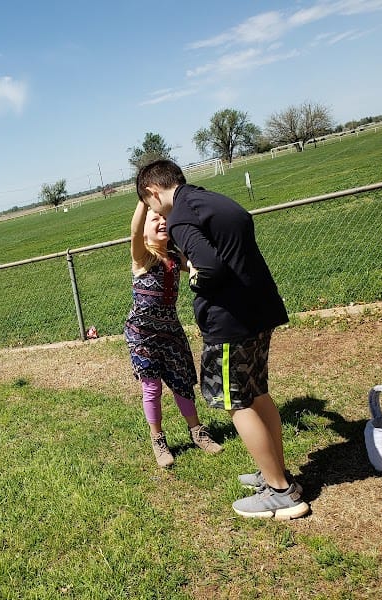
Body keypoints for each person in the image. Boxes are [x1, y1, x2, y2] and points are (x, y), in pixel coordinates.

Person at [135, 159, 309, 520]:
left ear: (153, 192)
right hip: (261, 310)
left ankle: (280, 492)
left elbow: (210, 268)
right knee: (258, 393)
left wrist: (197, 277)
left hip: (230, 322)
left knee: (236, 401)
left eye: (150, 204)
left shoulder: (182, 217)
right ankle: (275, 474)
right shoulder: (212, 200)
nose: (156, 213)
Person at [125, 199, 223, 468]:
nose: (161, 222)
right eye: (154, 219)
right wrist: (143, 200)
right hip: (141, 334)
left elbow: (195, 262)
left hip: (170, 331)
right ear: (145, 229)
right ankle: (158, 439)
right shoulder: (142, 256)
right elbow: (134, 231)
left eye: (163, 218)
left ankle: (197, 432)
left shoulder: (173, 256)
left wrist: (195, 266)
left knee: (181, 382)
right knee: (152, 387)